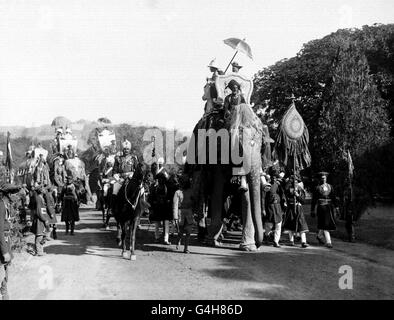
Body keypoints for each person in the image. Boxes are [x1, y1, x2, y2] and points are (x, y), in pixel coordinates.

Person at [0, 183, 20, 300]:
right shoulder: (1, 206)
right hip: (2, 246)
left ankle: (4, 295)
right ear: (8, 194)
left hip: (6, 242)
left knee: (5, 274)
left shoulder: (5, 205)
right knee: (2, 274)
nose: (17, 197)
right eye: (15, 194)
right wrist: (4, 251)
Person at [311, 172, 339, 248]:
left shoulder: (330, 187)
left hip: (329, 208)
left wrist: (336, 207)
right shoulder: (317, 188)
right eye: (322, 178)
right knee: (325, 224)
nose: (323, 179)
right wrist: (312, 210)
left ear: (326, 179)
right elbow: (314, 200)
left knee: (325, 224)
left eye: (324, 178)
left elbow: (333, 197)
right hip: (321, 208)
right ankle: (329, 242)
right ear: (320, 179)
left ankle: (319, 236)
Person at [149, 157, 172, 245]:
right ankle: (157, 237)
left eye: (161, 163)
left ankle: (166, 239)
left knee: (166, 222)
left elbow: (168, 179)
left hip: (165, 205)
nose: (160, 165)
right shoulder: (154, 186)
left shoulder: (165, 171)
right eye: (159, 164)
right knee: (157, 222)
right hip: (158, 206)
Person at [283, 174, 309, 248]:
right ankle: (291, 240)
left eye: (296, 182)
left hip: (298, 208)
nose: (295, 183)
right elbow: (285, 197)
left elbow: (303, 201)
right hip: (291, 208)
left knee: (302, 225)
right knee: (291, 223)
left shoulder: (300, 190)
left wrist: (297, 195)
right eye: (293, 182)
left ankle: (303, 241)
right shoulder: (288, 189)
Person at [263, 169, 287, 248]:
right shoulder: (267, 185)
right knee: (269, 225)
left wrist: (284, 202)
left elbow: (282, 194)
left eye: (275, 177)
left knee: (278, 224)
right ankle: (266, 235)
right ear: (270, 178)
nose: (274, 179)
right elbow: (263, 198)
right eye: (272, 177)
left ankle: (276, 241)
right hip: (270, 207)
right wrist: (263, 209)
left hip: (278, 207)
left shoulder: (278, 185)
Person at [174, 176, 194, 253]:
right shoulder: (177, 192)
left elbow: (193, 202)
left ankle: (186, 248)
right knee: (181, 232)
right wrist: (175, 216)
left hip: (189, 213)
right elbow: (175, 205)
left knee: (188, 232)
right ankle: (178, 239)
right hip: (180, 214)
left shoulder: (191, 191)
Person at [31, 183, 50, 256]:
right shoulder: (38, 198)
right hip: (40, 220)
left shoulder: (41, 197)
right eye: (43, 189)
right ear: (41, 191)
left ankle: (40, 250)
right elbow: (39, 211)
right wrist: (44, 219)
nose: (45, 190)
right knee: (39, 235)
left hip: (42, 218)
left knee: (43, 235)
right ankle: (39, 251)